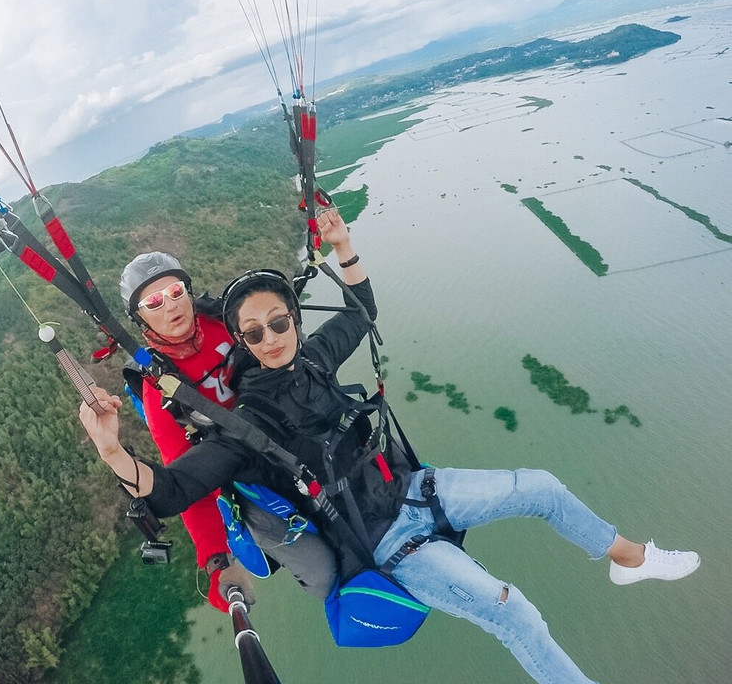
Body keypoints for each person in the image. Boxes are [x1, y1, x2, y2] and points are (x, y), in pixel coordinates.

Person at [80, 209, 700, 684]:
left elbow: (362, 309)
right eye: (254, 333)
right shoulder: (246, 426)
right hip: (385, 542)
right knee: (514, 613)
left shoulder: (316, 355)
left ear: (295, 320)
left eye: (279, 323)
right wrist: (113, 451)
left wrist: (344, 247)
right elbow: (174, 490)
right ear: (240, 342)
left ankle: (628, 558)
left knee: (540, 485)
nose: (270, 338)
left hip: (413, 488)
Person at [117, 250, 337, 610]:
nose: (171, 306)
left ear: (188, 292)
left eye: (176, 292)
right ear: (140, 319)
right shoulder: (159, 392)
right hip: (244, 472)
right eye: (154, 302)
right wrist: (218, 562)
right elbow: (186, 481)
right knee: (321, 576)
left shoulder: (225, 323)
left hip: (291, 429)